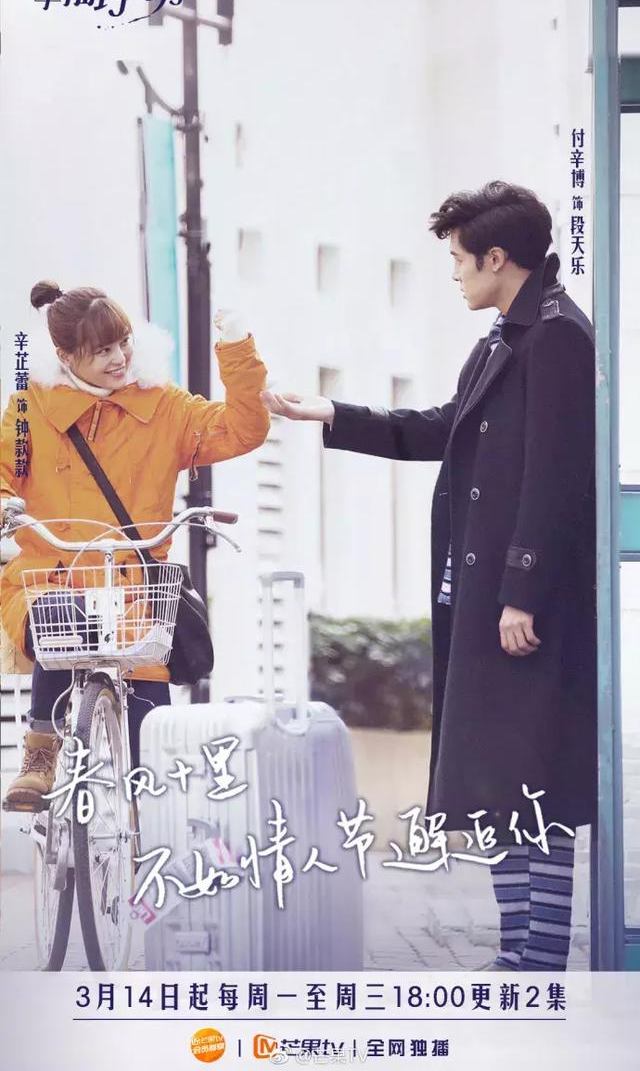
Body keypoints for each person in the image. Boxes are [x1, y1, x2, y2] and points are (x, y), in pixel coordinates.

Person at [261, 181, 597, 972]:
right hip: (484, 598)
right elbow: (445, 428)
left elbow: (555, 477)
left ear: (496, 257)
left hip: (522, 603)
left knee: (533, 780)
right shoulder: (506, 335)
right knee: (499, 780)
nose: (453, 274)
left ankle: (540, 958)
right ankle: (518, 954)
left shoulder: (556, 337)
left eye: (458, 259)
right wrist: (332, 414)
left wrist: (521, 592)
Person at [1, 281, 270, 810]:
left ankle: (141, 842)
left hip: (136, 596)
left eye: (123, 342)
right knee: (59, 622)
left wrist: (237, 348)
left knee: (148, 767)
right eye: (101, 350)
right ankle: (39, 752)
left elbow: (243, 429)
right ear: (65, 356)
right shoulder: (31, 408)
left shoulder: (163, 405)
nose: (119, 358)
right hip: (50, 580)